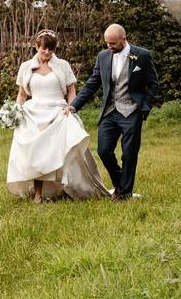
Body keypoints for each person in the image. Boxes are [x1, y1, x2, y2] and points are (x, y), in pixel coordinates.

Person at [6, 29, 110, 202]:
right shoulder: (26, 67)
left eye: (51, 49)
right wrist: (16, 112)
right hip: (34, 114)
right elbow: (22, 95)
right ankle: (38, 195)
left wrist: (71, 108)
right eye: (44, 48)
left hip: (58, 111)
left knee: (63, 151)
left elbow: (71, 90)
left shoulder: (63, 65)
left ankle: (67, 189)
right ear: (36, 46)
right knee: (36, 154)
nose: (47, 52)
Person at [66, 24, 160, 201]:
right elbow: (93, 83)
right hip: (109, 112)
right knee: (104, 151)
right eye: (107, 43)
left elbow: (153, 84)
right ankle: (120, 184)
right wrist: (74, 105)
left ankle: (124, 195)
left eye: (113, 43)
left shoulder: (142, 56)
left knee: (129, 154)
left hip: (132, 111)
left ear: (124, 40)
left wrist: (144, 107)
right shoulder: (102, 56)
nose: (109, 47)